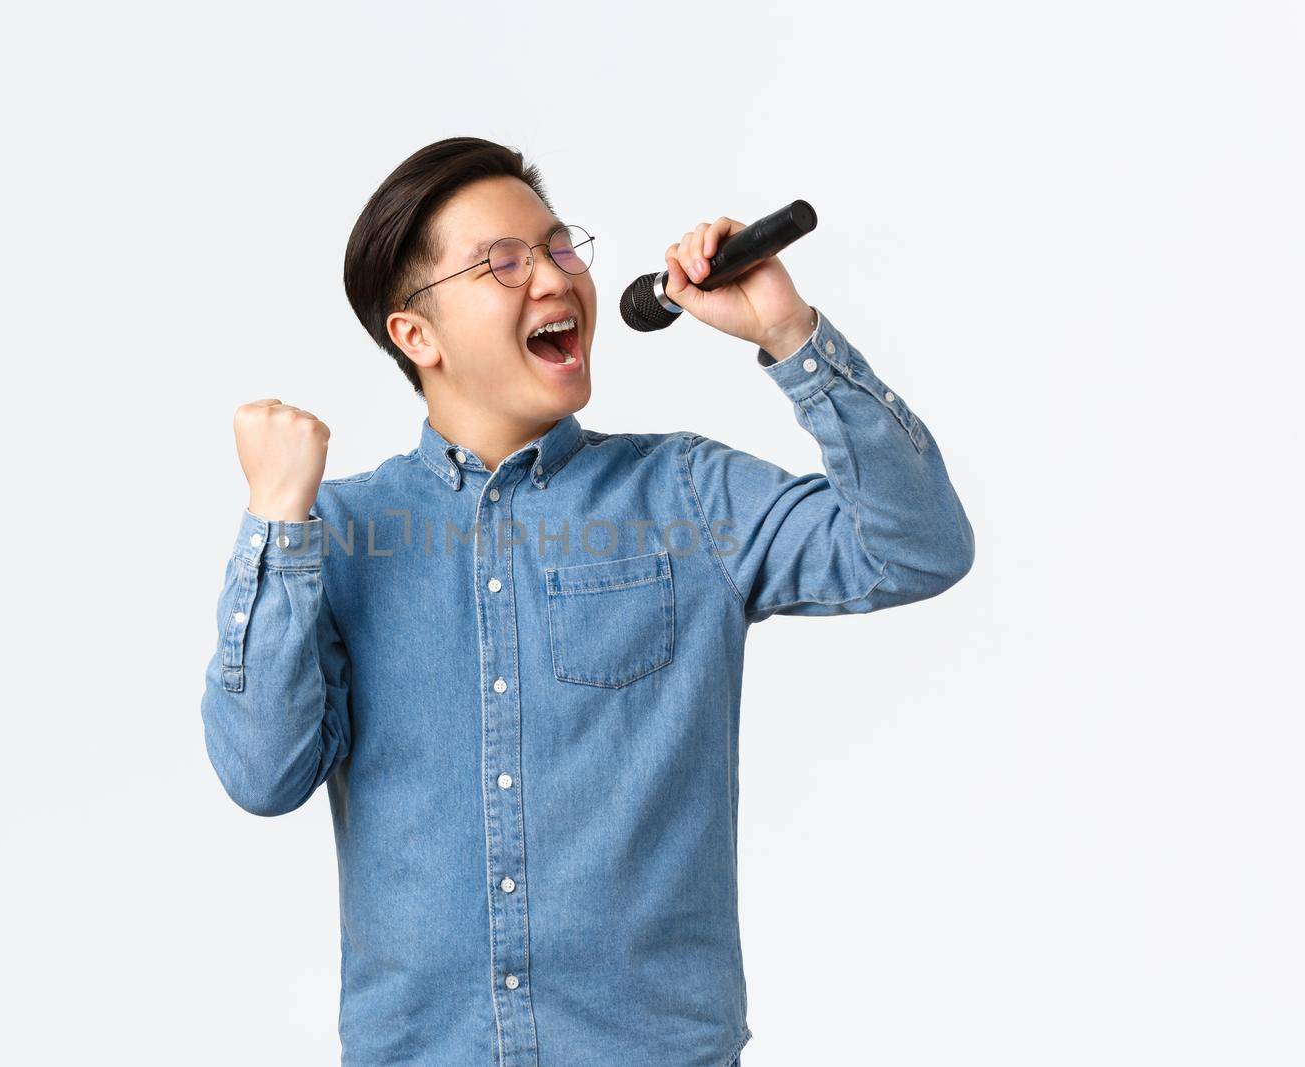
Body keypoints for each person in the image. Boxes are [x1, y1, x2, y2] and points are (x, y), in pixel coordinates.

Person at [200, 136, 974, 1066]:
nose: (556, 279)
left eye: (563, 247)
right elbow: (261, 774)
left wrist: (788, 331)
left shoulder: (688, 496)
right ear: (417, 335)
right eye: (505, 263)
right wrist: (277, 522)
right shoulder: (335, 536)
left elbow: (918, 548)